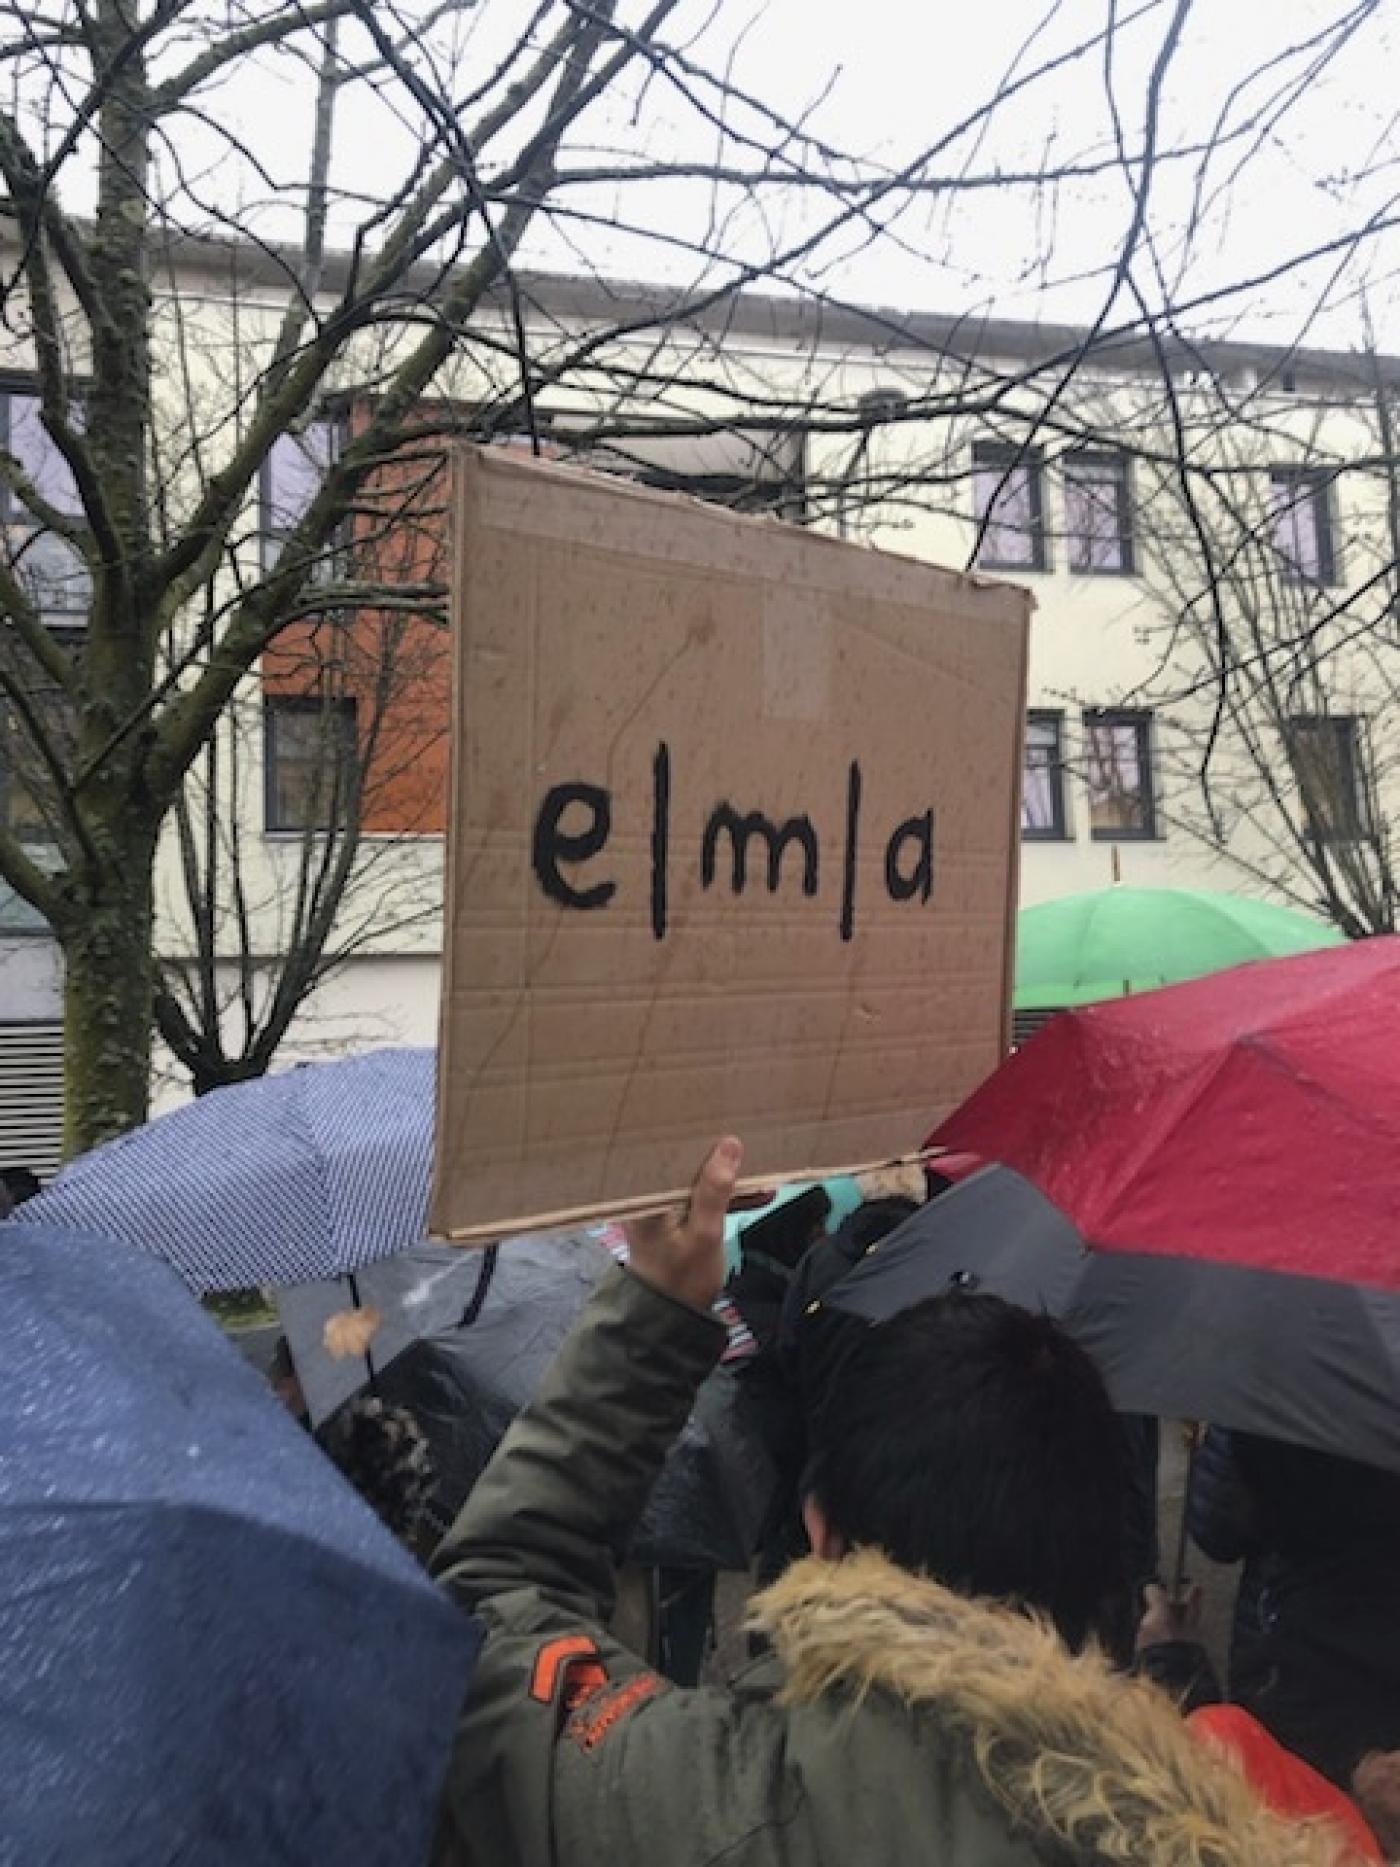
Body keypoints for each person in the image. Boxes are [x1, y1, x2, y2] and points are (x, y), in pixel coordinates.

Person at [430, 1140, 1341, 1867]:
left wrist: (657, 1311)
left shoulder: (694, 1800)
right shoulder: (1233, 1828)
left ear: (822, 1535)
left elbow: (494, 1610)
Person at [1187, 1428, 1400, 1788]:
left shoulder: (1274, 1390)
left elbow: (1217, 1529)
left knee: (1274, 1793)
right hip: (1363, 1657)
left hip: (1291, 1649)